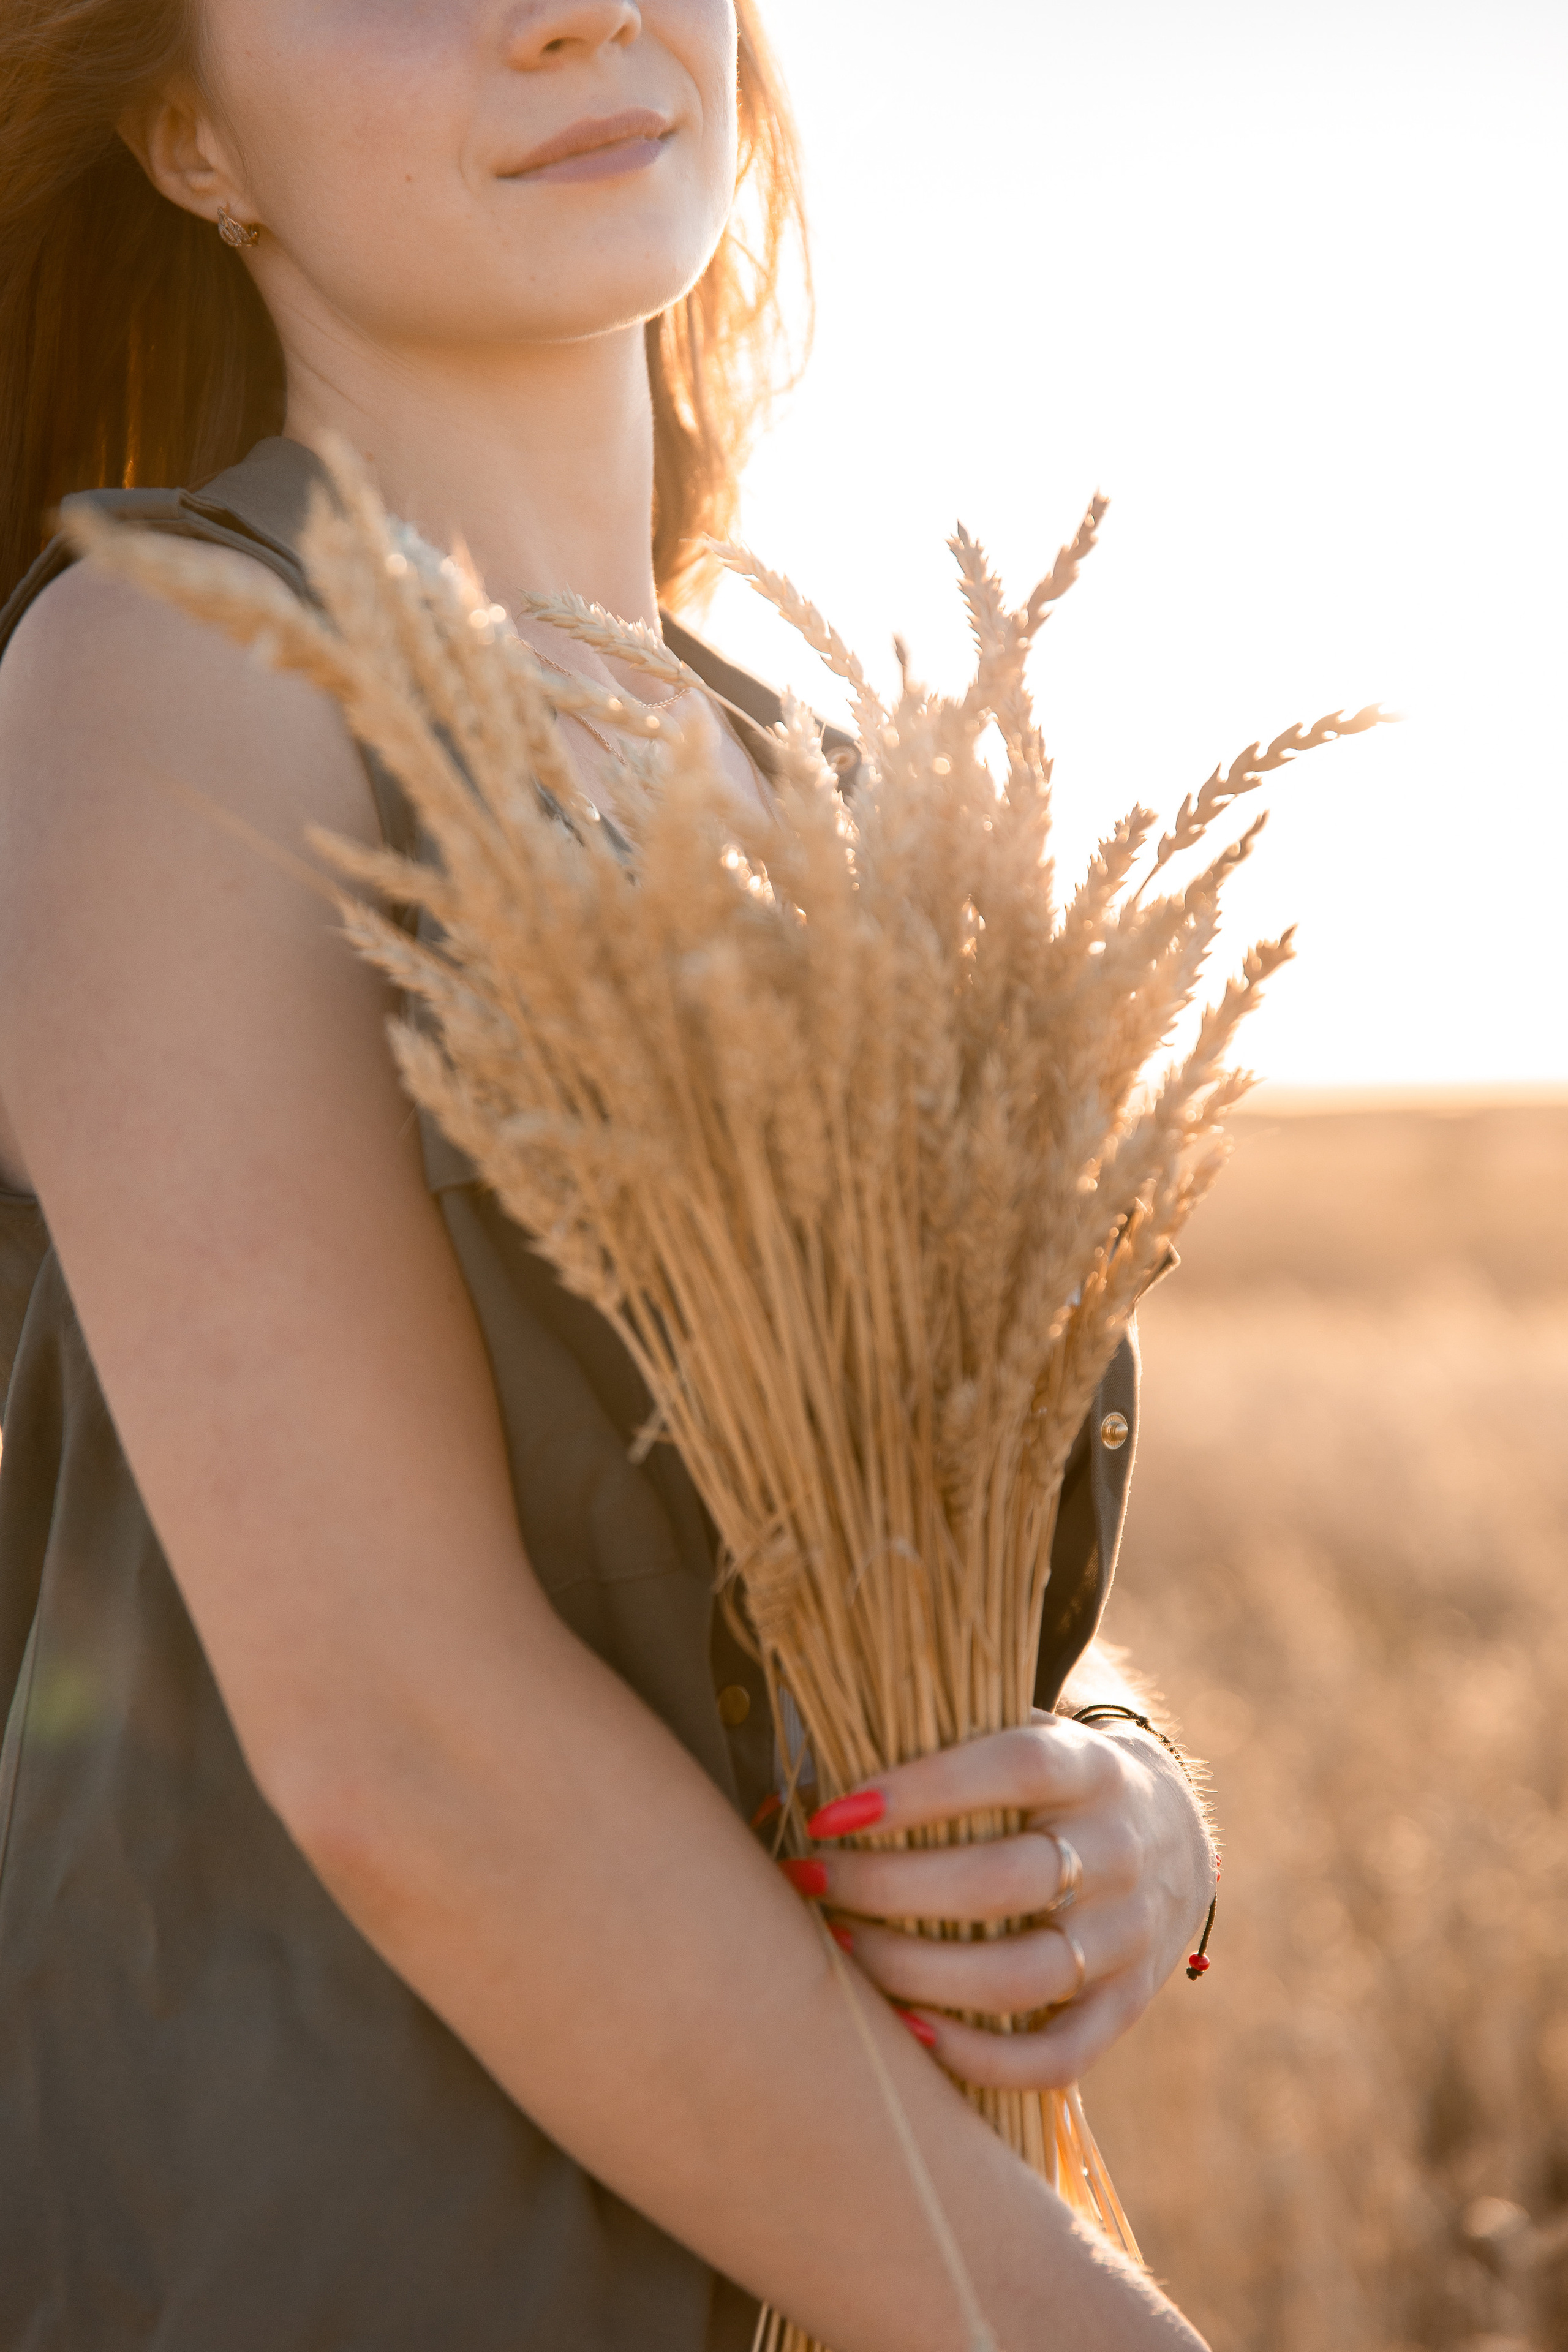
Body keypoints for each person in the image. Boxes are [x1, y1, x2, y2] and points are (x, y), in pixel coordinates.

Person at [0, 6, 1216, 2348]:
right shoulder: (168, 678)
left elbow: (822, 1541)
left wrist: (1143, 1798)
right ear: (185, 134)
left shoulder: (833, 788)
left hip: (838, 2266)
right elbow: (404, 1736)